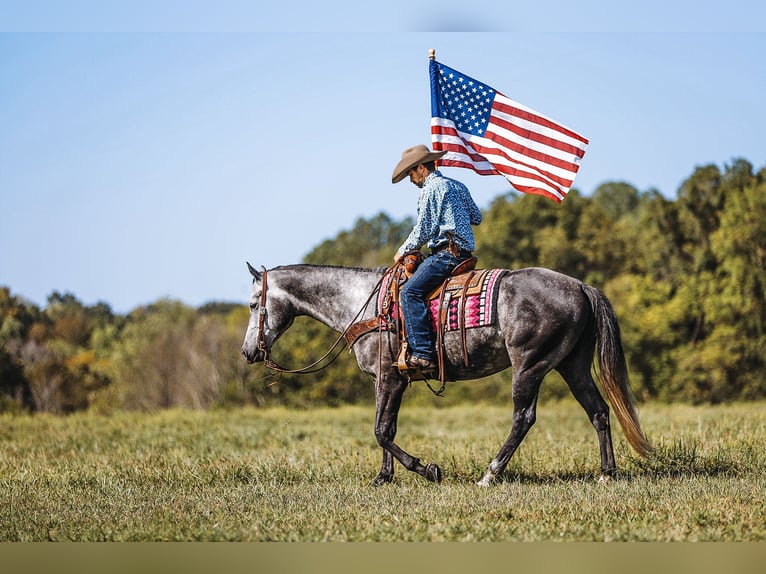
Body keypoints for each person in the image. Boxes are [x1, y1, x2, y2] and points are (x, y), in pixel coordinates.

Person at [391, 144, 483, 370]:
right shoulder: (457, 186)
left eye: (410, 174)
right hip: (464, 255)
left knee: (410, 292)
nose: (411, 180)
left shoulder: (431, 189)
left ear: (421, 167)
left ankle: (423, 353)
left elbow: (424, 229)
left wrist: (402, 250)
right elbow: (477, 217)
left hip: (445, 255)